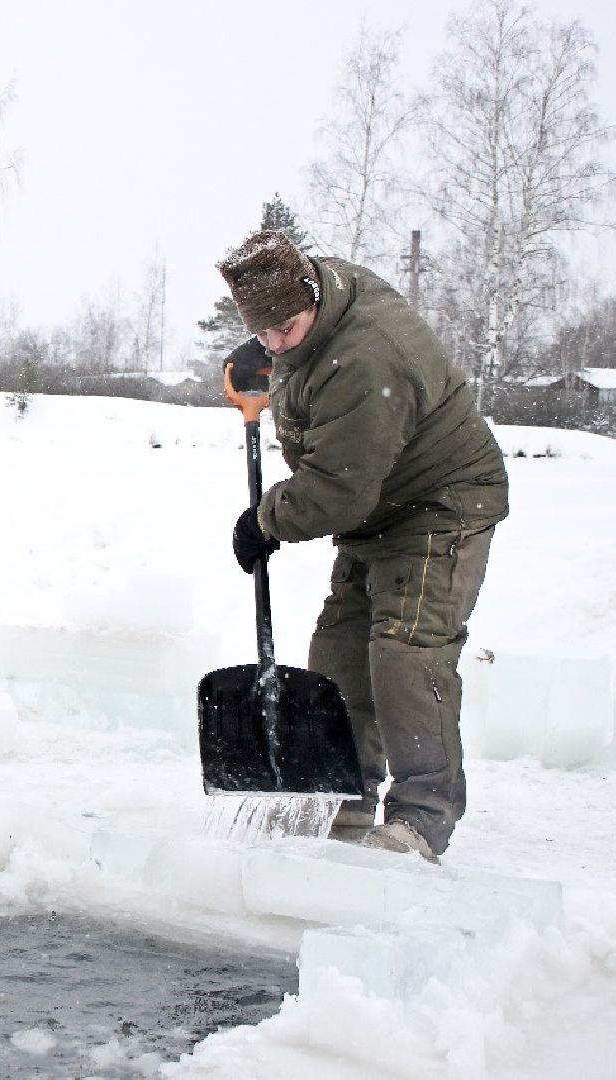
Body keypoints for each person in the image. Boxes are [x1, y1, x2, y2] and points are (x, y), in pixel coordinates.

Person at [218, 228, 509, 862]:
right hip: (378, 505)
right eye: (262, 334)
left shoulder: (366, 357)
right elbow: (301, 361)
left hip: (438, 504)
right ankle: (340, 802)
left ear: (311, 295)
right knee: (340, 655)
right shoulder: (313, 311)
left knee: (407, 652)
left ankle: (419, 821)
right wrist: (276, 355)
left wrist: (266, 520)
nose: (274, 344)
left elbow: (337, 491)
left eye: (284, 330)